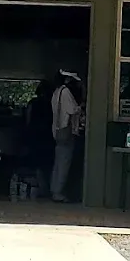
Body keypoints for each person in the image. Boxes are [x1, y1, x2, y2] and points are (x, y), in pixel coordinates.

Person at [50, 70, 84, 202]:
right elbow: (72, 110)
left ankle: (54, 189)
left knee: (58, 163)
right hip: (66, 132)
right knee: (64, 163)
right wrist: (80, 107)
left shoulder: (56, 92)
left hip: (57, 131)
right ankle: (58, 192)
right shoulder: (66, 92)